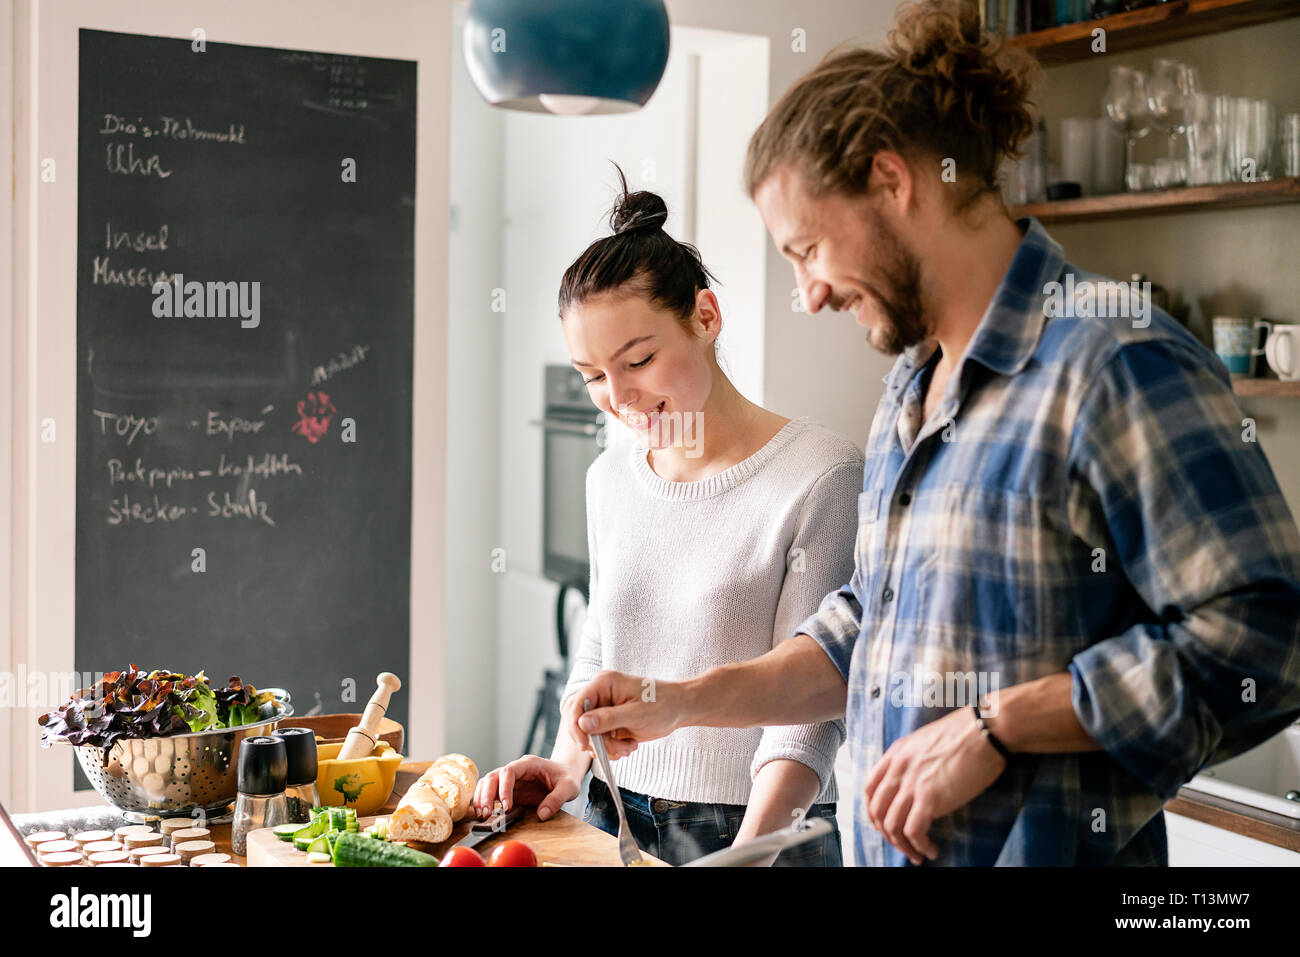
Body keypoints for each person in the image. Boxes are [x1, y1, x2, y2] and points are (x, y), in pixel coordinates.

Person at [569, 0, 1300, 866]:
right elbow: (859, 628)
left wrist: (1001, 723)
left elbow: (1266, 637)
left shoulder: (1114, 360)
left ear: (891, 181)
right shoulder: (913, 388)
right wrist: (682, 699)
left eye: (807, 249)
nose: (808, 293)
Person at [473, 167, 864, 866]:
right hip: (610, 813)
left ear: (706, 317)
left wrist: (752, 851)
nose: (618, 397)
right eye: (592, 375)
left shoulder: (819, 473)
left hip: (755, 828)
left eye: (639, 360)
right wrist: (569, 765)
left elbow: (811, 703)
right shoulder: (609, 478)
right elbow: (601, 644)